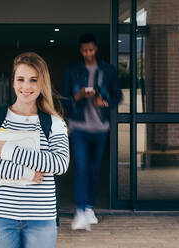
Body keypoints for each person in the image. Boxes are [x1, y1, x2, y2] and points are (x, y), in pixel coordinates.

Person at [0, 52, 69, 248]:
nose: (26, 86)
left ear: (42, 83)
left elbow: (60, 163)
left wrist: (9, 151)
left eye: (33, 80)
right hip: (0, 215)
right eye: (21, 79)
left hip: (41, 217)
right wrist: (28, 174)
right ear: (13, 82)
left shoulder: (54, 122)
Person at [61, 34, 122, 230]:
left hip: (100, 129)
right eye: (84, 50)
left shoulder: (108, 71)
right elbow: (63, 100)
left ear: (96, 49)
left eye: (91, 50)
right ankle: (80, 211)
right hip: (79, 128)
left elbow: (117, 96)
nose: (88, 53)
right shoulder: (72, 70)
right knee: (81, 168)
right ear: (81, 51)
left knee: (95, 170)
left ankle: (88, 208)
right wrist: (77, 96)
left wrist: (102, 102)